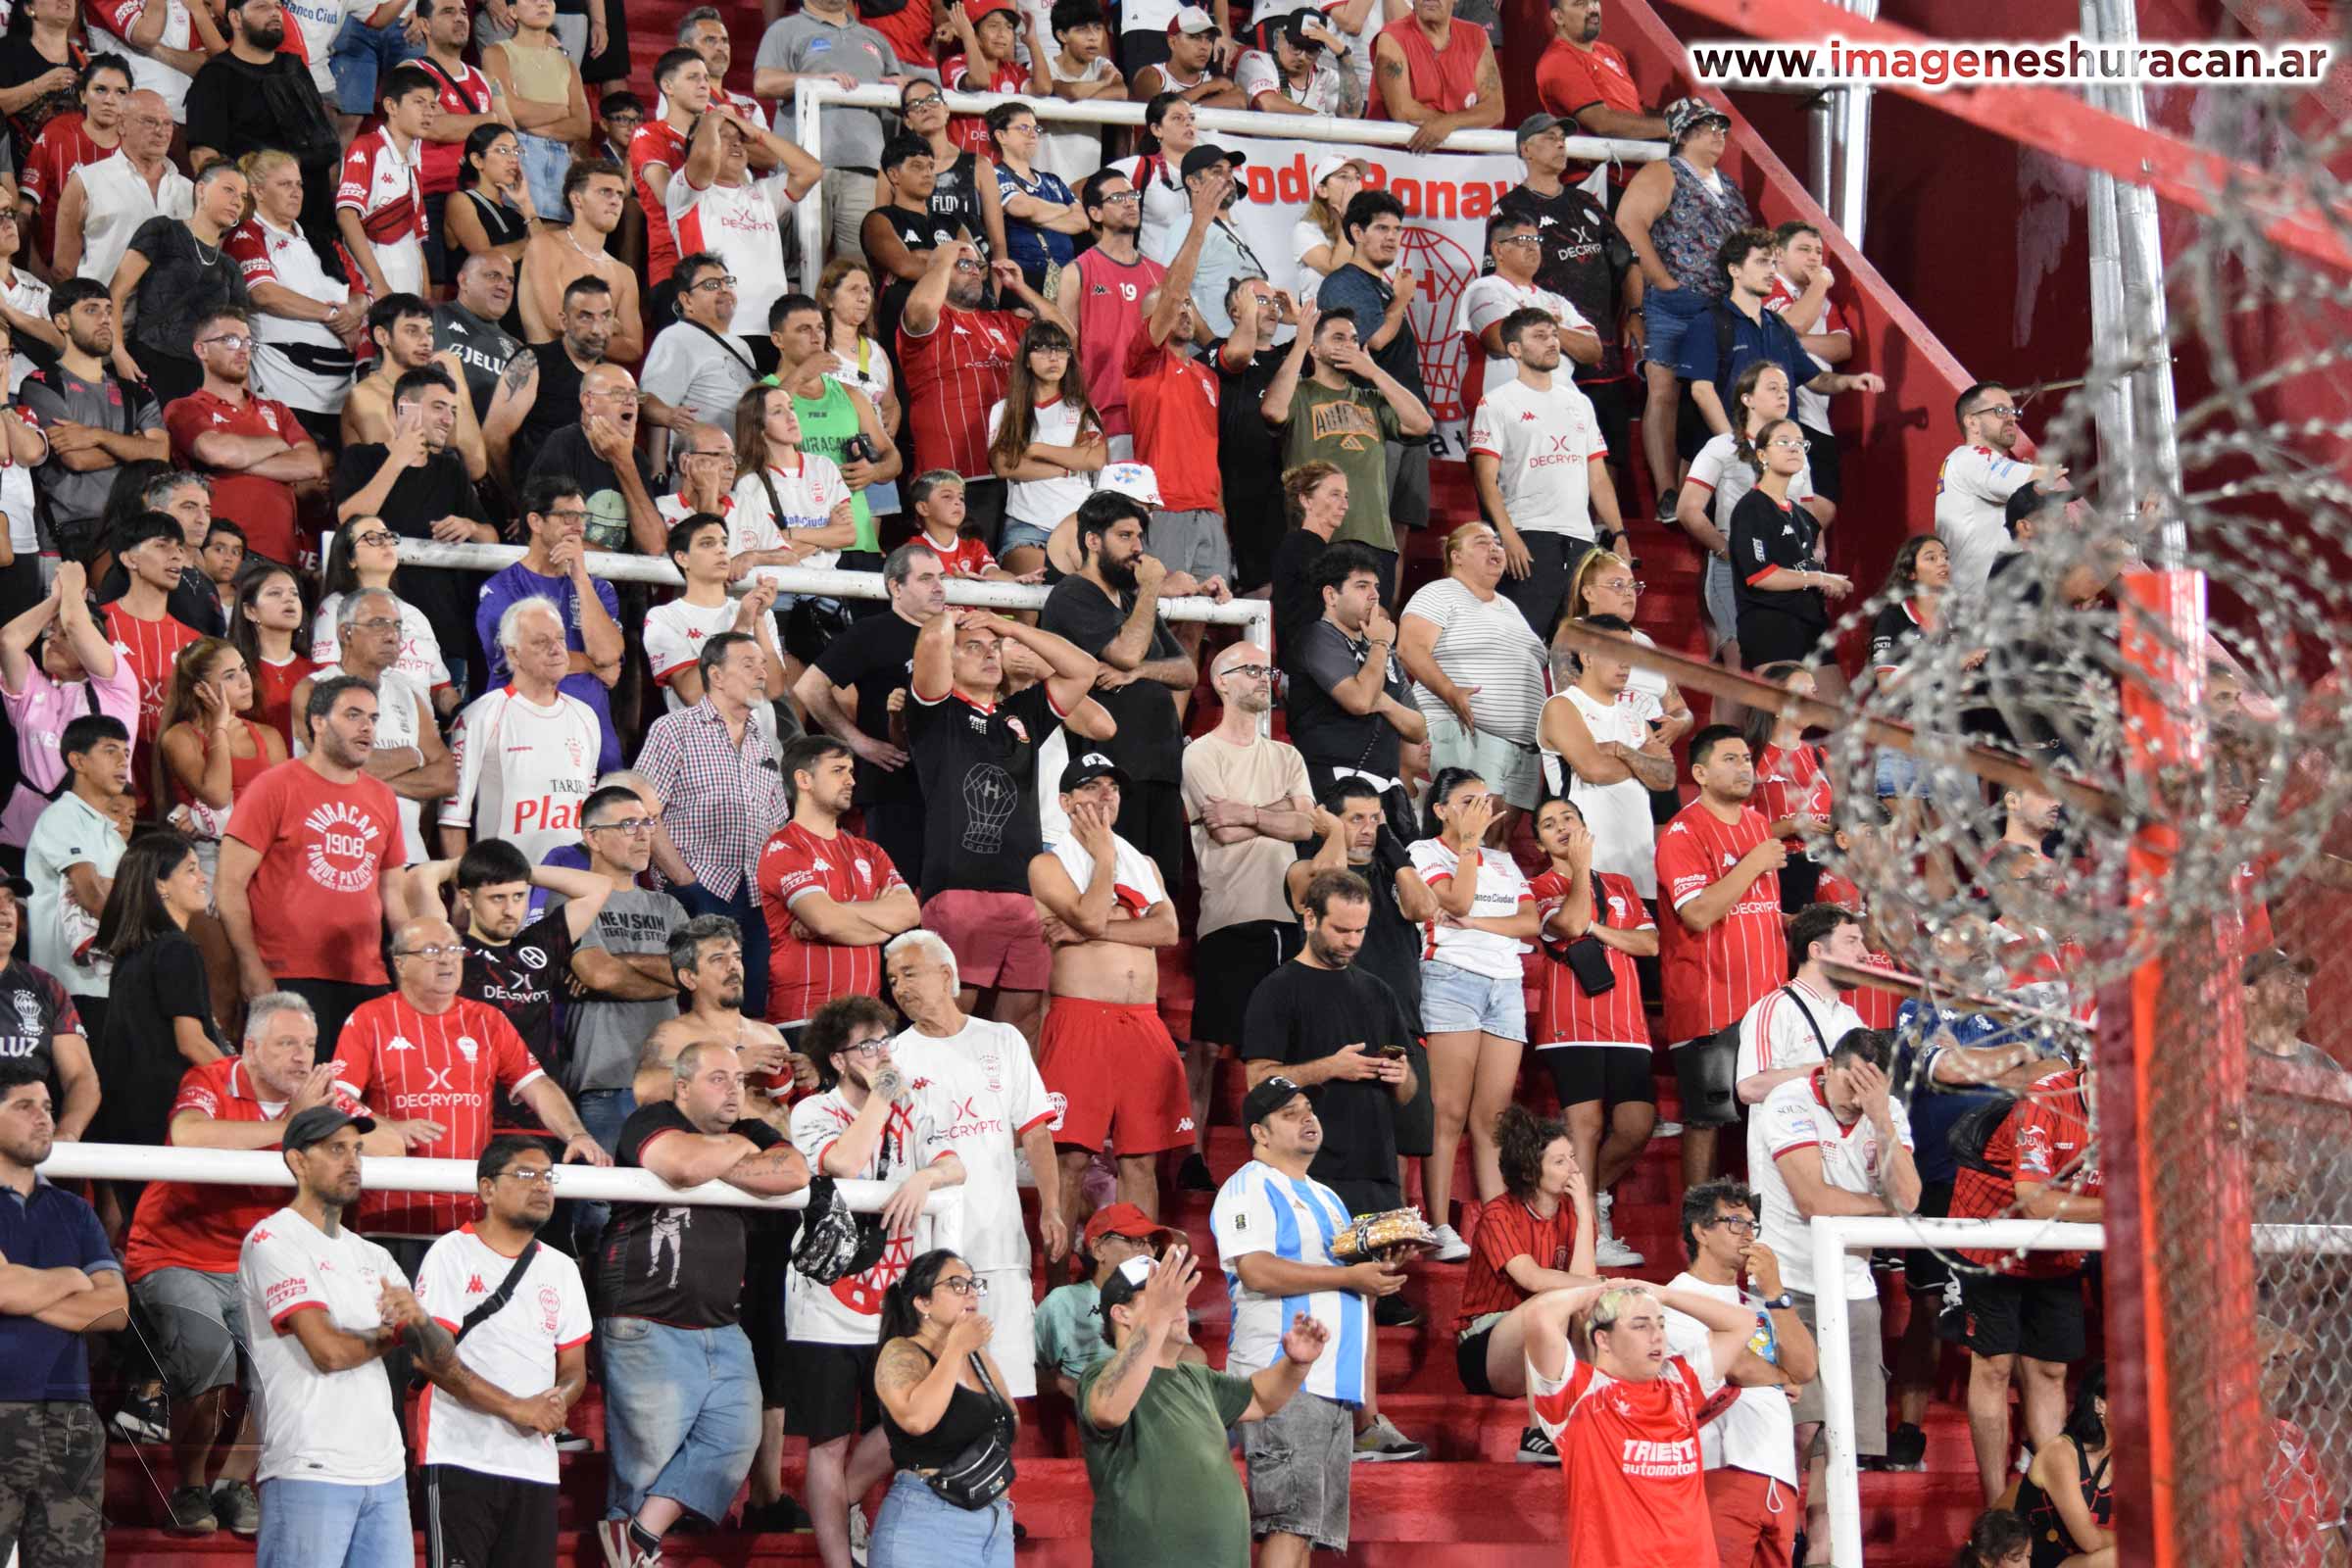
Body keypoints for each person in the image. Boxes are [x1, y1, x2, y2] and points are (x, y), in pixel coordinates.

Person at [121, 994, 397, 1538]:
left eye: (309, 1045)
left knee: (288, 1363)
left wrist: (325, 1123)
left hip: (263, 1259)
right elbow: (189, 1133)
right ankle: (190, 1487)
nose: (301, 1057)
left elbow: (388, 1146)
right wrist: (293, 1125)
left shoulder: (321, 1094)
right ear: (249, 1048)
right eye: (286, 1043)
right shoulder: (212, 1077)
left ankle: (232, 1483)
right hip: (178, 1251)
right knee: (209, 1354)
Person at [235, 1102, 475, 1568]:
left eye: (357, 1150)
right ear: (297, 1161)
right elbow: (327, 1352)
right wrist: (394, 1334)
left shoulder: (373, 1255)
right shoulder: (273, 1240)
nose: (352, 1162)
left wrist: (422, 1324)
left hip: (384, 1471)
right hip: (307, 1464)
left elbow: (439, 1359)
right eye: (335, 1150)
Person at [787, 999, 965, 1568]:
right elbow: (843, 1161)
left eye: (885, 1041)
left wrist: (925, 1176)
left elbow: (956, 1165)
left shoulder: (916, 1105)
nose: (882, 1053)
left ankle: (844, 1501)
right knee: (829, 1441)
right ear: (838, 1060)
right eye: (866, 1045)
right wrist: (882, 1097)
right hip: (824, 1305)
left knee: (901, 1424)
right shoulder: (812, 1110)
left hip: (894, 1305)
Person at [1215, 1073, 1426, 1547]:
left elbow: (1347, 1281)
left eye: (1308, 1110)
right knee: (1286, 1528)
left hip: (1332, 1383)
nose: (1307, 1119)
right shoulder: (1247, 1187)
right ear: (1260, 1133)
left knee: (1305, 1535)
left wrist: (1381, 1270)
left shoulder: (1327, 1196)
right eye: (1289, 1114)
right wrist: (1350, 1278)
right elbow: (1256, 1271)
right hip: (1280, 1378)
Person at [330, 913, 609, 1247]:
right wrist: (386, 1127)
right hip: (389, 1218)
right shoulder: (370, 1019)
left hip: (467, 1222)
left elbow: (537, 1085)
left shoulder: (488, 1021)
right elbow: (336, 1098)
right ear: (400, 963)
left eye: (453, 949)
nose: (446, 959)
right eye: (431, 951)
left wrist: (576, 1133)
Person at [906, 606, 1110, 1040]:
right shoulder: (936, 713)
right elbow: (932, 640)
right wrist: (952, 614)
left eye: (994, 648)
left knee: (1024, 1024)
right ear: (950, 661)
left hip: (1025, 892)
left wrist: (1005, 626)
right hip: (959, 887)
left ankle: (1012, 1089)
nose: (989, 654)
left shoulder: (1021, 715)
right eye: (973, 647)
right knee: (950, 1019)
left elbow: (1083, 670)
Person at [1748, 1028, 1918, 1523]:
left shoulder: (1884, 1110)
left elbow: (1909, 1199)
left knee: (1839, 1440)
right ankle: (1777, 1535)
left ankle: (1822, 1549)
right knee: (1799, 1427)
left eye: (1871, 1090)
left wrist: (1881, 1118)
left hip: (1854, 1290)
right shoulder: (1789, 1101)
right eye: (1851, 1085)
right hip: (1786, 1284)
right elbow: (1814, 1201)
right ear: (1827, 1068)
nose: (1856, 1101)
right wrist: (1884, 1207)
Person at [885, 929, 1064, 1396]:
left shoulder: (1002, 1040)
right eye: (893, 980)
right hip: (928, 1250)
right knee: (940, 1388)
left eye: (909, 973)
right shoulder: (893, 1058)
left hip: (1000, 1242)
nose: (900, 988)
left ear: (946, 975)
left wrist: (1052, 1207)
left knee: (1008, 1387)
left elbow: (1036, 1130)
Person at [1078, 1243, 1329, 1566]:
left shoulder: (1197, 1378)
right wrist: (1155, 1322)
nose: (1177, 1304)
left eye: (1178, 1294)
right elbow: (1108, 1409)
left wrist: (1295, 1364)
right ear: (1121, 1313)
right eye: (1161, 1296)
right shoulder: (1099, 1376)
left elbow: (1260, 1399)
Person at [1523, 1277, 1800, 1565]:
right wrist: (1597, 1291)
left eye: (1661, 1324)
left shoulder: (1679, 1381)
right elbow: (1539, 1315)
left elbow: (1741, 1323)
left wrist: (1665, 1295)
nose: (1656, 1336)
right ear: (1603, 1339)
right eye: (1640, 1326)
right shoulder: (1577, 1392)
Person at [1239, 868, 1423, 1292]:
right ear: (1310, 919)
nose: (1353, 941)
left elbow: (1407, 1091)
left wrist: (1401, 1075)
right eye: (1341, 930)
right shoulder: (1276, 989)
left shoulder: (1379, 992)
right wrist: (1330, 1067)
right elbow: (1258, 1081)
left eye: (1360, 930)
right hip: (1309, 1173)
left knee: (1379, 1301)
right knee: (1319, 1296)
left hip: (1376, 1173)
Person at [410, 1135, 589, 1568]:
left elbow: (573, 1370)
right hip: (459, 1457)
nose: (541, 1185)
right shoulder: (451, 1253)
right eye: (525, 1174)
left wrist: (555, 1403)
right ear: (487, 1189)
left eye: (547, 1176)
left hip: (534, 1466)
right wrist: (517, 1408)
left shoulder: (563, 1269)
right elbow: (431, 1359)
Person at [1031, 752, 1188, 1230]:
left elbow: (1167, 931)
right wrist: (1103, 857)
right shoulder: (1048, 864)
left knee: (1140, 1161)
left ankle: (1137, 1266)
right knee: (1071, 1159)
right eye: (1091, 787)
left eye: (1113, 787)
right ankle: (1058, 1272)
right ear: (1065, 802)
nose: (1105, 795)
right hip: (1081, 1020)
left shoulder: (1144, 864)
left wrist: (1085, 931)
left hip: (1143, 1022)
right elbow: (1094, 914)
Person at [217, 677, 416, 1046]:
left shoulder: (383, 797)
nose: (367, 727)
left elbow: (393, 895)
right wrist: (249, 965)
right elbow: (229, 884)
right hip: (287, 974)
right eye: (353, 715)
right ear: (318, 722)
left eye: (373, 718)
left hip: (366, 976)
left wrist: (411, 962)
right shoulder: (274, 786)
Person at [1182, 643, 1311, 1164]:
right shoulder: (1200, 753)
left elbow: (1307, 825)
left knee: (1284, 1047)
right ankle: (1193, 1157)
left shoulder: (1287, 755)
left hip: (1286, 917)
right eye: (1251, 669)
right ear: (1221, 682)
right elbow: (1221, 828)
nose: (1263, 677)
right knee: (1210, 1044)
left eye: (1267, 669)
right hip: (1229, 916)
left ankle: (1282, 1153)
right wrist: (1278, 811)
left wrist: (1250, 814)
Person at [1950, 1058, 2101, 1504]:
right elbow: (2033, 1201)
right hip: (1993, 1231)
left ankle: (2053, 1507)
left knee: (2051, 1370)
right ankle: (1996, 1506)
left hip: (2058, 1243)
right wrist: (2127, 1205)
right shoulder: (2047, 1098)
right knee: (1995, 1365)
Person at [0, 1058, 126, 1568]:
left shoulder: (76, 1211)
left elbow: (114, 1310)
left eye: (49, 1107)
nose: (44, 1118)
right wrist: (74, 1277)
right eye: (24, 1106)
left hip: (71, 1415)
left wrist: (27, 1291)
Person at [1410, 767, 1538, 1259]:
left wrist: (1477, 923)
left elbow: (1529, 922)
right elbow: (1455, 898)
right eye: (1469, 802)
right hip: (1450, 977)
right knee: (1448, 1111)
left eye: (1486, 801)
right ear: (1440, 810)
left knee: (1493, 1119)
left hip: (1505, 984)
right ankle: (1440, 1226)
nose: (1482, 810)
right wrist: (1467, 845)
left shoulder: (1503, 861)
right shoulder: (1424, 852)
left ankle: (1497, 1228)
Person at [1661, 1180, 1821, 1568]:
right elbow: (1737, 1365)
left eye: (1752, 1224)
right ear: (1701, 1232)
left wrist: (1776, 1293)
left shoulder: (1758, 1305)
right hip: (1720, 1470)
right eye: (1734, 1222)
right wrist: (1782, 1377)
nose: (1748, 1234)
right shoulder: (1677, 1298)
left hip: (1777, 1475)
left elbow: (1806, 1368)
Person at [1524, 796, 1654, 1265]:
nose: (1561, 827)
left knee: (1637, 1126)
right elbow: (1571, 921)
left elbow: (1650, 943)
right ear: (1540, 844)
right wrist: (1580, 871)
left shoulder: (1621, 884)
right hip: (1571, 1025)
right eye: (1549, 824)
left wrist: (1597, 931)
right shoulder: (1537, 886)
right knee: (1588, 1125)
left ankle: (1590, 1196)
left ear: (1584, 826)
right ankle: (1591, 1234)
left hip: (1628, 1025)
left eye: (1569, 818)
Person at [635, 629, 791, 1017]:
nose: (762, 673)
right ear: (716, 675)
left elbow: (777, 828)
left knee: (748, 1009)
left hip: (754, 897)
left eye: (763, 665)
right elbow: (643, 810)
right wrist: (685, 881)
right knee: (696, 1007)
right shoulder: (674, 729)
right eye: (749, 664)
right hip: (696, 890)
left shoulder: (763, 743)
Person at [547, 783, 687, 1216]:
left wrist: (622, 960)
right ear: (592, 836)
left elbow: (693, 978)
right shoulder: (571, 898)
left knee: (666, 1214)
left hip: (669, 1084)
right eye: (628, 824)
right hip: (603, 1081)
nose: (644, 834)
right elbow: (598, 973)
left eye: (647, 823)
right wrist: (668, 974)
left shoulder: (668, 906)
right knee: (599, 1216)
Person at [1657, 724, 1786, 1189]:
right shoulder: (1682, 832)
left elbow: (1759, 906)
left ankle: (1766, 1213)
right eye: (1729, 759)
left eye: (1747, 759)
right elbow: (1697, 912)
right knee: (1707, 1119)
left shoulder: (1757, 824)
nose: (1744, 768)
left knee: (1774, 1115)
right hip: (1709, 1002)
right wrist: (1753, 863)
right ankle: (1695, 1219)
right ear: (1699, 773)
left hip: (1767, 1003)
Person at [1615, 97, 1749, 517]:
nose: (1717, 135)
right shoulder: (1664, 172)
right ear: (1683, 134)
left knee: (1712, 395)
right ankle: (1666, 491)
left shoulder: (1728, 186)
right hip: (1675, 302)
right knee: (1664, 391)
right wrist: (1663, 281)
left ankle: (1696, 487)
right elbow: (1629, 222)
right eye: (1706, 127)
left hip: (1719, 306)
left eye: (1721, 128)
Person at [899, 238, 1072, 545]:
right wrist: (942, 259)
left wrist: (1021, 288)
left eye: (977, 265)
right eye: (962, 264)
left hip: (1014, 476)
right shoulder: (929, 325)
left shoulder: (1002, 322)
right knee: (959, 570)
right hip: (953, 479)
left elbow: (1065, 338)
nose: (974, 272)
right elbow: (921, 308)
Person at [796, 543, 947, 891]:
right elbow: (809, 687)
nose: (939, 587)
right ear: (896, 586)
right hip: (894, 788)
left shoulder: (952, 633)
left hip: (946, 786)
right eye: (926, 578)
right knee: (896, 893)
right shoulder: (873, 632)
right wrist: (859, 743)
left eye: (941, 577)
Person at [1450, 1103, 1597, 1451]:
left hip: (1549, 1336)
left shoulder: (1572, 1212)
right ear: (1532, 1171)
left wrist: (1584, 1213)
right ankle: (1538, 1433)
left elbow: (1582, 1282)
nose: (1575, 1169)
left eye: (1572, 1157)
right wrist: (1596, 1284)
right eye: (1560, 1162)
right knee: (1551, 1302)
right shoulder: (1498, 1214)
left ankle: (1598, 1412)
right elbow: (1530, 1277)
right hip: (1486, 1344)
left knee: (1585, 1304)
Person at [1503, 114, 1644, 471]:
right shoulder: (1510, 210)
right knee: (1558, 458)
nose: (1560, 143)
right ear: (1526, 150)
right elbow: (1502, 283)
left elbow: (1628, 261)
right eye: (1549, 137)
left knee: (1609, 456)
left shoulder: (1587, 204)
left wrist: (1635, 313)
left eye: (1562, 138)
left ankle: (1606, 513)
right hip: (1552, 361)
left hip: (1605, 356)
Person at [1469, 306, 1619, 638]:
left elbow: (1598, 478)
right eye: (1540, 336)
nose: (1552, 342)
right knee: (1524, 645)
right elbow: (1485, 479)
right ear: (1515, 349)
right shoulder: (1496, 403)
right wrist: (1508, 535)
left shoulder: (1580, 403)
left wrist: (1619, 534)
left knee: (1573, 651)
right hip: (1529, 535)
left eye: (1553, 335)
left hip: (1581, 540)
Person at [1261, 305, 1434, 594]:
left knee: (1375, 621)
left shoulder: (1371, 399)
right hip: (1321, 539)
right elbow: (1272, 409)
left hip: (1375, 539)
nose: (1349, 345)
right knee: (1321, 620)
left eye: (1354, 339)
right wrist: (1300, 345)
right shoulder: (1300, 393)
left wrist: (1374, 372)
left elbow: (1421, 423)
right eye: (1338, 338)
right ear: (1315, 349)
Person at [1678, 228, 1884, 468]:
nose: (1771, 271)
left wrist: (1850, 381)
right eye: (1762, 262)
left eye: (1773, 263)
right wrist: (1735, 449)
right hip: (1731, 463)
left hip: (1781, 460)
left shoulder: (1778, 327)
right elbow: (1702, 391)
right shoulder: (1708, 323)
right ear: (1734, 270)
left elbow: (1817, 379)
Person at [868, 1250, 1020, 1565]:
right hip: (927, 1523)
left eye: (973, 1284)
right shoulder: (901, 1351)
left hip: (993, 1525)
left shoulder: (978, 1358)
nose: (971, 1292)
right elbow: (917, 1420)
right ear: (923, 1302)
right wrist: (955, 1348)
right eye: (956, 1285)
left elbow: (1011, 1422)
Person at [760, 734, 919, 1032]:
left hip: (867, 1022)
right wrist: (882, 925)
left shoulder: (870, 851)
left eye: (850, 771)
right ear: (804, 780)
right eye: (838, 771)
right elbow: (825, 922)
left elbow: (910, 913)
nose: (851, 781)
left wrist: (836, 911)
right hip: (805, 1020)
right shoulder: (783, 847)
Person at [1678, 361, 1827, 667]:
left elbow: (1810, 518)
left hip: (1787, 572)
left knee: (1789, 670)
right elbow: (1688, 509)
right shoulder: (1722, 447)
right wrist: (1728, 550)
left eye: (1785, 389)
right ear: (1747, 398)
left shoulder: (1796, 452)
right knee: (1744, 669)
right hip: (1734, 570)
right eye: (1772, 388)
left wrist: (1816, 557)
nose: (1783, 395)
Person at [1398, 522, 1550, 826]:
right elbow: (1409, 648)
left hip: (1522, 745)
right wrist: (1451, 692)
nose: (1494, 548)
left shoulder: (1509, 607)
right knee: (1468, 832)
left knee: (1498, 840)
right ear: (1456, 556)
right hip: (1465, 729)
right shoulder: (1439, 593)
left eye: (1497, 543)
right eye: (1482, 542)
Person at [473, 477, 625, 771]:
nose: (578, 526)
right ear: (536, 522)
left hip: (595, 745)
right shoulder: (501, 588)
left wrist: (580, 577)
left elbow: (607, 655)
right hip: (527, 742)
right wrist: (592, 664)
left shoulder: (598, 588)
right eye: (567, 516)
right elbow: (521, 661)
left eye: (582, 517)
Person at [292, 588, 449, 867]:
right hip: (338, 857)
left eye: (397, 626)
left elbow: (446, 777)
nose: (392, 635)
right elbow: (337, 762)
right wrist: (414, 756)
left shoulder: (408, 693)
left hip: (408, 857)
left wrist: (372, 780)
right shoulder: (314, 689)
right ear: (345, 633)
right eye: (378, 624)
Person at [438, 599, 599, 866]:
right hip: (507, 881)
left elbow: (587, 815)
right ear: (513, 654)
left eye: (560, 638)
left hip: (571, 881)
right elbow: (452, 818)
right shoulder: (482, 715)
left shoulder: (586, 717)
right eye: (541, 642)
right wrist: (463, 885)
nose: (556, 649)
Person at [163, 309, 325, 570]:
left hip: (281, 555)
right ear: (201, 350)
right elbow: (216, 452)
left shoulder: (277, 410)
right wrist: (276, 444)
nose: (243, 350)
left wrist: (235, 463)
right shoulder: (186, 407)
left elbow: (311, 465)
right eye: (230, 340)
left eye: (248, 342)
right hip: (220, 553)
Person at [20, 279, 166, 564]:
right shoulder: (42, 383)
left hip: (130, 527)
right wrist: (135, 447)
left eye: (109, 310)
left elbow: (160, 455)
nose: (105, 319)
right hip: (66, 534)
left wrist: (97, 436)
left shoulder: (136, 390)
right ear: (62, 321)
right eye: (91, 310)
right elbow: (76, 458)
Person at [1284, 544, 1426, 834]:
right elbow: (1360, 701)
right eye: (1362, 586)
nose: (1374, 595)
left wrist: (1383, 701)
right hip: (1333, 789)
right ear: (1331, 595)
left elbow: (1418, 728)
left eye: (1375, 586)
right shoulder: (1318, 638)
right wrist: (1380, 643)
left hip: (1384, 791)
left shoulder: (1381, 651)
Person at [753, 0, 899, 264]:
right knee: (801, 265)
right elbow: (763, 83)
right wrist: (815, 81)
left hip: (866, 169)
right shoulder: (784, 29)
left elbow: (898, 91)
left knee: (859, 268)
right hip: (805, 168)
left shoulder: (875, 38)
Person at [226, 150, 361, 437]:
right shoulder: (246, 235)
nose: (296, 192)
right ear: (258, 191)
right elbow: (264, 294)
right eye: (284, 184)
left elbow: (363, 293)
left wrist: (353, 313)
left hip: (342, 387)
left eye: (298, 184)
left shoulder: (322, 240)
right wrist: (333, 315)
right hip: (285, 383)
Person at [663, 116, 820, 359]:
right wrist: (711, 118)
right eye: (724, 136)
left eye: (739, 139)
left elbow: (811, 170)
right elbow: (703, 157)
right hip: (719, 330)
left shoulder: (764, 193)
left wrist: (758, 133)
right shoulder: (685, 193)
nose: (736, 143)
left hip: (773, 333)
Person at [0, 564, 132, 852]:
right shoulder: (33, 688)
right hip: (22, 838)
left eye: (63, 635)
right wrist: (55, 600)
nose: (52, 639)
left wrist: (72, 585)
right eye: (50, 632)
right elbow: (9, 640)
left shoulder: (116, 687)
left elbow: (75, 624)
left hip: (91, 840)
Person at [761, 292, 899, 566]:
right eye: (804, 330)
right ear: (778, 340)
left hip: (856, 537)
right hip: (799, 542)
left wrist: (874, 472)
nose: (816, 338)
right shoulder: (761, 393)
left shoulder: (850, 394)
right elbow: (754, 439)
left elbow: (893, 458)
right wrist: (801, 375)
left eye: (821, 328)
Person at [1540, 613, 1668, 900]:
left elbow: (1666, 777)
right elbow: (1594, 770)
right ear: (1587, 656)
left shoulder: (1635, 718)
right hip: (1589, 872)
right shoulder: (1562, 706)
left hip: (1641, 874)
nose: (1626, 663)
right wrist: (1644, 761)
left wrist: (1622, 752)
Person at [109, 162, 251, 407]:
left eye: (243, 196)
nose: (237, 201)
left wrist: (239, 394)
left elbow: (237, 336)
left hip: (201, 380)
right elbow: (116, 292)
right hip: (146, 364)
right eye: (229, 190)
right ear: (201, 190)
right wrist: (117, 351)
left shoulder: (230, 268)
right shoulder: (162, 231)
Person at [1731, 416, 1852, 691]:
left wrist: (1825, 584)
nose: (1794, 448)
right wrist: (1820, 578)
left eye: (1800, 443)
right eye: (1783, 442)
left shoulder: (1801, 515)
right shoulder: (1752, 508)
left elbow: (1801, 570)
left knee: (1840, 712)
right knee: (1783, 711)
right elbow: (1762, 575)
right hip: (1772, 626)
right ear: (1762, 455)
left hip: (1811, 626)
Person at [24, 712, 128, 1033]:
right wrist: (144, 938)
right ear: (78, 761)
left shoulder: (112, 835)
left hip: (107, 985)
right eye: (110, 750)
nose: (123, 761)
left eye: (126, 752)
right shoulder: (64, 816)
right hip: (70, 987)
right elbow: (91, 895)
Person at [1054, 169, 1166, 464]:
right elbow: (1066, 350)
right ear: (1095, 213)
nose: (1129, 202)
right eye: (1117, 198)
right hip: (1106, 417)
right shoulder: (1077, 271)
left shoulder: (1160, 274)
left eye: (1132, 195)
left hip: (1159, 414)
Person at [986, 322, 1106, 578]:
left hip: (1079, 523)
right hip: (1027, 524)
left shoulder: (1082, 409)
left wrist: (1034, 449)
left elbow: (1095, 459)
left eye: (1061, 349)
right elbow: (1004, 466)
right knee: (1034, 597)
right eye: (1041, 348)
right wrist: (1066, 467)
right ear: (1026, 361)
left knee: (1081, 598)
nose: (1053, 357)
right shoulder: (1005, 410)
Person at [646, 512, 788, 722]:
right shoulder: (664, 617)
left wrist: (758, 619)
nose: (721, 549)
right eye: (707, 544)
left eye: (724, 543)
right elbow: (692, 694)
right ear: (682, 558)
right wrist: (740, 628)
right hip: (701, 740)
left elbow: (774, 689)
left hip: (761, 741)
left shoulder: (757, 611)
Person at [482, 274, 619, 491]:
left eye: (605, 317)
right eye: (585, 317)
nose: (597, 329)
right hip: (540, 501)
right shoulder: (532, 361)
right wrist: (516, 498)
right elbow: (494, 438)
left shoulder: (612, 377)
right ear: (564, 321)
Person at [1735, 903, 1873, 1112]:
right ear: (1817, 951)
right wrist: (1825, 1071)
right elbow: (1750, 1088)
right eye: (1851, 942)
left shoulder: (1851, 1017)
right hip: (1790, 1132)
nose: (1864, 954)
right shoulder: (1775, 1009)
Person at [1936, 380, 2068, 599]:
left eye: (2013, 411)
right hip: (1981, 606)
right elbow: (2041, 477)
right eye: (2000, 411)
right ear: (1972, 422)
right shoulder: (1971, 456)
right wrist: (2043, 471)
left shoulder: (1971, 463)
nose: (2011, 418)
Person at [1035, 1203, 1184, 1396]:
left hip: (1153, 1397)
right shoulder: (1064, 1301)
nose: (1148, 1253)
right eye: (1136, 1241)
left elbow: (1190, 1356)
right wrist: (1066, 1385)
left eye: (1152, 1243)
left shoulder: (1159, 1299)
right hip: (1094, 1402)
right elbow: (1027, 1369)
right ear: (1098, 1249)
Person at [341, 297, 490, 485]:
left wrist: (459, 382)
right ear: (382, 336)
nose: (425, 341)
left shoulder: (434, 395)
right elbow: (399, 473)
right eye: (412, 331)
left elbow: (476, 467)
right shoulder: (365, 396)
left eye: (430, 332)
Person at [52, 88, 186, 289]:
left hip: (176, 308)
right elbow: (63, 269)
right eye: (149, 122)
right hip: (106, 306)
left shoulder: (190, 190)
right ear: (122, 125)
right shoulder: (87, 181)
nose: (161, 132)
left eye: (167, 123)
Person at [514, 161, 642, 367]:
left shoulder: (624, 273)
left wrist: (584, 326)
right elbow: (557, 320)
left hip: (595, 381)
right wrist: (610, 326)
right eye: (605, 192)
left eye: (619, 194)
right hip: (546, 372)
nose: (615, 201)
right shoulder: (546, 246)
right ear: (577, 199)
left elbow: (633, 348)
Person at [1212, 278, 1294, 592]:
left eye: (1274, 302)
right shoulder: (1219, 351)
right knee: (1260, 588)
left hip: (1289, 490)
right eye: (1260, 300)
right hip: (1244, 491)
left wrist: (1297, 317)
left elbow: (1327, 339)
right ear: (1236, 310)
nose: (1272, 307)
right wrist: (1248, 315)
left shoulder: (1291, 355)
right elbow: (1238, 356)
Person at [481, 0, 588, 227]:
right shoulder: (497, 52)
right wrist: (562, 111)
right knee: (522, 234)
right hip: (519, 154)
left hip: (561, 158)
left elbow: (582, 126)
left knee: (558, 239)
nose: (542, 3)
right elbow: (510, 109)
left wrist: (528, 123)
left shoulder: (567, 64)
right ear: (512, 11)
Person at [334, 67, 434, 302]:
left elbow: (415, 238)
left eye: (433, 105)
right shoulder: (366, 147)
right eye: (419, 102)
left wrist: (426, 298)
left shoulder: (414, 162)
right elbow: (347, 216)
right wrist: (378, 282)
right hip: (375, 289)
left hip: (409, 288)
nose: (428, 112)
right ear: (391, 106)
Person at [21, 56, 130, 266]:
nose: (110, 100)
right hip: (54, 265)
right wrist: (39, 272)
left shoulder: (134, 144)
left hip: (117, 266)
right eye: (100, 89)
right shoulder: (57, 133)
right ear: (82, 95)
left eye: (121, 92)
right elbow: (24, 213)